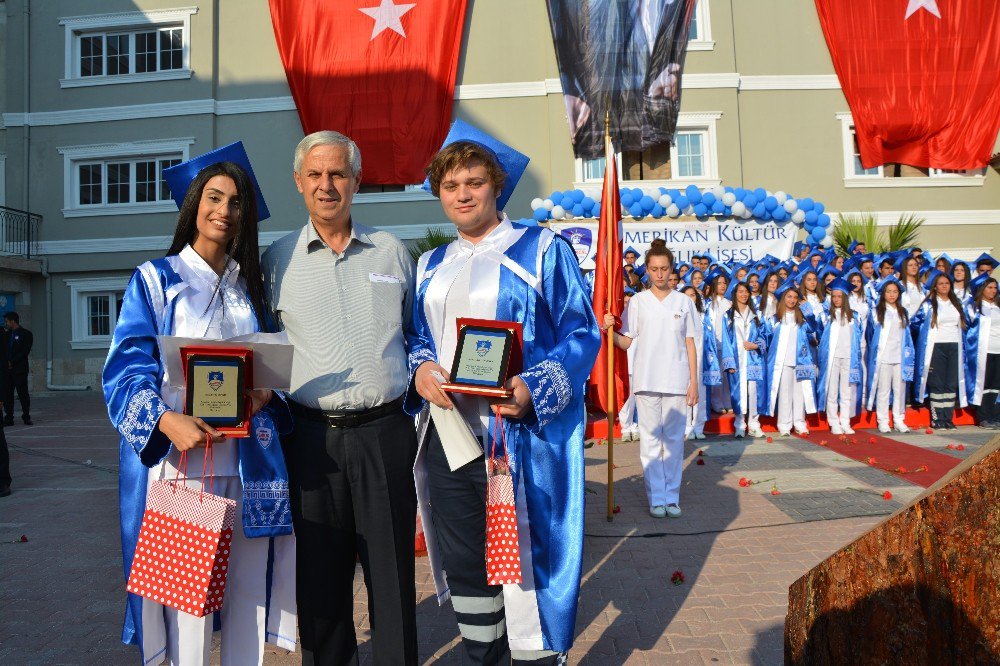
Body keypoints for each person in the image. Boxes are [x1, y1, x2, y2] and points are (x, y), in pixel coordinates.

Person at [407, 125, 600, 663]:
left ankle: (535, 655)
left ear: (497, 186)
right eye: (450, 184)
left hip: (518, 436)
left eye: (474, 181)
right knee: (468, 558)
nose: (462, 193)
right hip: (448, 436)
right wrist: (421, 367)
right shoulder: (430, 264)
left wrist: (533, 387)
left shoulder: (541, 249)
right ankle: (480, 655)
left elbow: (582, 332)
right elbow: (417, 336)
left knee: (524, 559)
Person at [103, 150, 296, 665]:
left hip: (250, 466)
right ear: (193, 205)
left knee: (247, 600)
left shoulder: (248, 290)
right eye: (214, 198)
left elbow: (262, 372)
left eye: (236, 202)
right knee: (184, 609)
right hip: (184, 465)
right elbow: (123, 373)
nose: (225, 211)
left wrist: (263, 392)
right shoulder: (156, 280)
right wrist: (165, 420)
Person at [261, 131, 419, 664]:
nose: (327, 185)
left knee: (392, 572)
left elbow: (416, 335)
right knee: (319, 580)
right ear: (299, 182)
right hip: (310, 442)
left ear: (356, 181)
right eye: (316, 174)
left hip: (385, 434)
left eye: (338, 174)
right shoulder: (275, 261)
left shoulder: (393, 251)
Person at [606, 240, 698, 518]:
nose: (659, 274)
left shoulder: (684, 302)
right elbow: (625, 342)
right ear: (646, 270)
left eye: (664, 268)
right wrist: (609, 330)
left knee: (673, 442)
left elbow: (691, 342)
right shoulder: (637, 302)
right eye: (654, 269)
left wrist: (694, 382)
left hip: (676, 380)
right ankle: (656, 498)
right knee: (650, 441)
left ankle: (672, 497)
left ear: (672, 269)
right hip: (646, 381)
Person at [913, 271, 969, 430]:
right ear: (935, 287)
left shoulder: (956, 303)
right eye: (941, 284)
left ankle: (947, 418)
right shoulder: (929, 304)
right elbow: (916, 323)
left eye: (947, 283)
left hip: (954, 345)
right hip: (936, 346)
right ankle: (937, 418)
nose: (944, 286)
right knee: (937, 383)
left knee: (951, 383)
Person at [764, 280, 818, 436]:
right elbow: (765, 336)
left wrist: (808, 310)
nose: (792, 300)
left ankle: (800, 423)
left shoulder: (802, 320)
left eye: (795, 297)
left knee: (799, 394)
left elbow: (815, 327)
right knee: (785, 394)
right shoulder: (775, 319)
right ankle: (784, 425)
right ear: (783, 298)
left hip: (801, 362)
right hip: (782, 363)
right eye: (789, 297)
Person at [865, 278, 915, 433]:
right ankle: (883, 420)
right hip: (884, 357)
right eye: (888, 291)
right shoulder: (876, 312)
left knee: (900, 389)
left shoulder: (903, 312)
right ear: (883, 294)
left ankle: (899, 419)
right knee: (884, 389)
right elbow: (870, 334)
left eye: (895, 291)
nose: (892, 295)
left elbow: (907, 335)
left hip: (900, 357)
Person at [721, 282, 767, 438]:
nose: (743, 294)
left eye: (746, 292)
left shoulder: (757, 315)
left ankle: (754, 423)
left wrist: (756, 345)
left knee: (754, 392)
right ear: (735, 294)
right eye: (740, 292)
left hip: (754, 359)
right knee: (737, 392)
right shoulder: (728, 316)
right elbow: (726, 340)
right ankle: (739, 424)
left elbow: (765, 335)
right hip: (737, 360)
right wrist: (729, 362)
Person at [817, 280, 863, 435]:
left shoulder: (854, 316)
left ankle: (845, 421)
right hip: (832, 358)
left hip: (849, 357)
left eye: (839, 296)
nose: (836, 299)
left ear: (845, 298)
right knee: (832, 390)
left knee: (846, 391)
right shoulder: (826, 315)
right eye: (834, 296)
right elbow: (817, 332)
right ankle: (833, 421)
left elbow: (859, 336)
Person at [965, 275, 1000, 428]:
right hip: (983, 351)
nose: (993, 291)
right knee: (984, 384)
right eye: (989, 287)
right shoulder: (974, 307)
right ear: (982, 289)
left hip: (998, 349)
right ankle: (984, 416)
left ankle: (995, 415)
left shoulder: (998, 306)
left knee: (996, 384)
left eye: (995, 288)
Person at [680, 284, 711, 440]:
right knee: (685, 393)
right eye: (686, 296)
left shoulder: (704, 316)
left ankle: (699, 427)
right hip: (683, 360)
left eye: (693, 295)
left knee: (701, 394)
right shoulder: (679, 317)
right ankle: (686, 426)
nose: (690, 298)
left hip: (700, 361)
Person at [3, 312, 33, 426]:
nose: (6, 323)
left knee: (23, 394)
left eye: (7, 321)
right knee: (7, 394)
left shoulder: (26, 334)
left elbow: (24, 351)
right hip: (7, 370)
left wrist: (12, 362)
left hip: (19, 369)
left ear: (13, 321)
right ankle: (9, 417)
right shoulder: (6, 335)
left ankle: (26, 416)